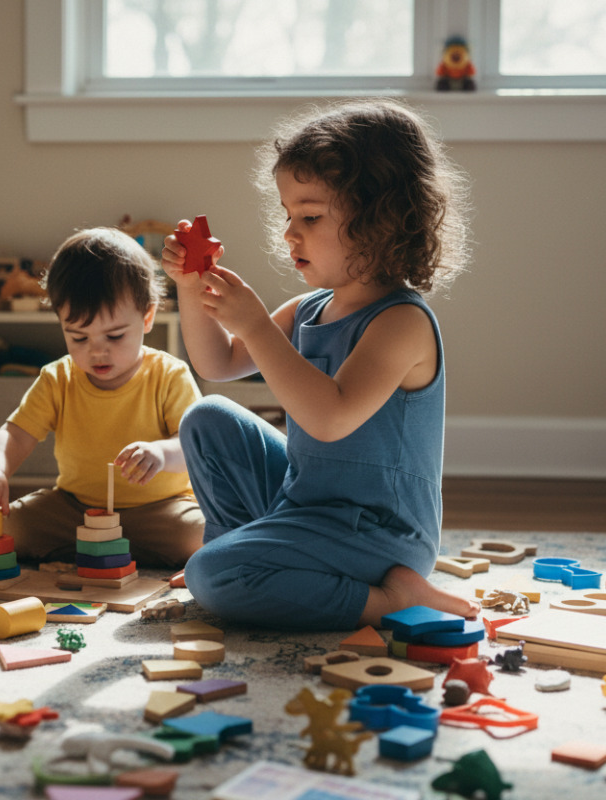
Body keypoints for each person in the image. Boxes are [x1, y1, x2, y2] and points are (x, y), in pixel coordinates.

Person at [161, 98, 478, 630]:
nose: (290, 232)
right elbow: (217, 362)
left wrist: (258, 327)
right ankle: (241, 556)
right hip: (305, 503)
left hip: (377, 534)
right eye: (288, 216)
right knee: (207, 417)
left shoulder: (401, 323)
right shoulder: (310, 309)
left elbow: (330, 418)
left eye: (310, 216)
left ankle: (390, 600)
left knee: (211, 577)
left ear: (382, 221)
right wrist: (191, 290)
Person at [0, 227, 204, 567]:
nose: (97, 352)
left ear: (147, 317)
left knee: (202, 536)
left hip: (160, 510)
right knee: (17, 524)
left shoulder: (169, 375)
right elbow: (16, 433)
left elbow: (195, 446)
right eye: (79, 338)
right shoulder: (59, 378)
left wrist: (160, 453)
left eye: (114, 336)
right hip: (75, 510)